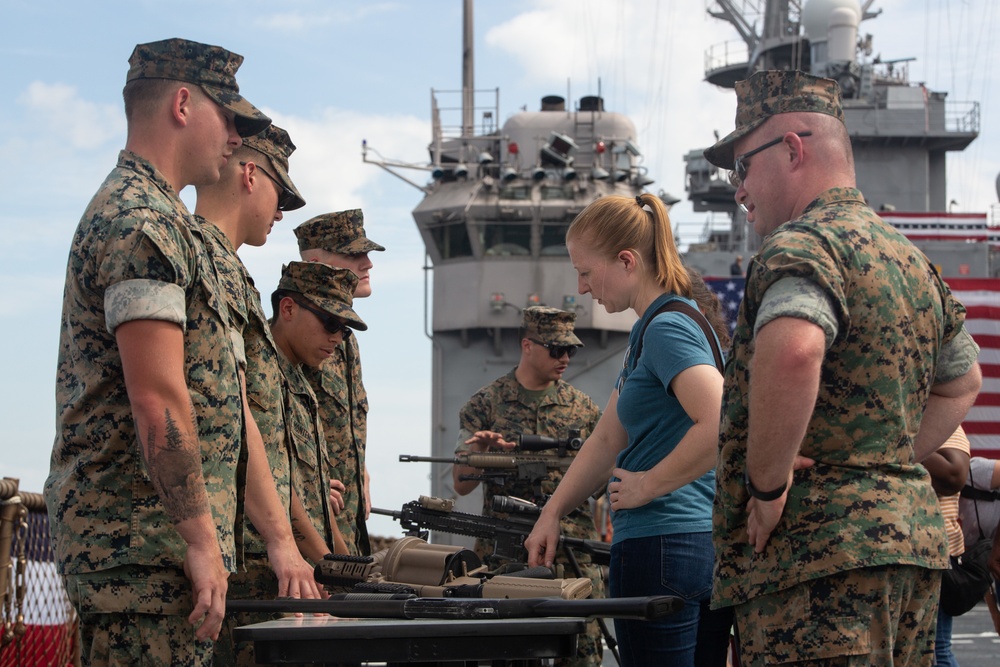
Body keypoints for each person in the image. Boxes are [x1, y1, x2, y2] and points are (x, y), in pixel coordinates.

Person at [44, 38, 312, 666]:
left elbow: (222, 402)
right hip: (138, 556)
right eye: (231, 116)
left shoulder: (171, 225)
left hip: (165, 556)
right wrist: (198, 539)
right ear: (184, 104)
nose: (236, 136)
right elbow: (156, 396)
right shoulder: (140, 222)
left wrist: (274, 541)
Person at [702, 70, 983, 665]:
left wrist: (768, 485)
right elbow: (963, 380)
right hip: (909, 558)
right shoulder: (908, 260)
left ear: (792, 149)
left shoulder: (802, 244)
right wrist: (888, 460)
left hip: (818, 566)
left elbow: (797, 348)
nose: (739, 189)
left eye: (742, 167)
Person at [525, 193, 734, 666]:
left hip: (662, 547)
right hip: (703, 546)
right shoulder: (661, 326)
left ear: (626, 261)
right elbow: (606, 439)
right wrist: (553, 512)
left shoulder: (665, 330)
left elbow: (720, 420)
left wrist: (647, 485)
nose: (581, 288)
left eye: (585, 271)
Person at [191, 124, 334, 666]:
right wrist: (283, 540)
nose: (281, 214)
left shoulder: (233, 275)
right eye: (281, 194)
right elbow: (194, 407)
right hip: (184, 545)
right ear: (251, 175)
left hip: (219, 545)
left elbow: (241, 421)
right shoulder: (199, 258)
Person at [453, 306, 604, 667]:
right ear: (527, 346)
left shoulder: (584, 411)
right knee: (503, 653)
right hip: (504, 558)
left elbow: (604, 482)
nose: (564, 358)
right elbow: (460, 484)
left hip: (571, 556)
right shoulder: (485, 404)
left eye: (570, 350)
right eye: (555, 349)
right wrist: (483, 452)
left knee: (581, 655)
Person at [293, 210, 384, 556]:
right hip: (307, 536)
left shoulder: (345, 341)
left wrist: (360, 470)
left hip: (346, 528)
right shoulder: (293, 333)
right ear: (316, 262)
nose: (367, 264)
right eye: (353, 255)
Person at [269, 261, 368, 563]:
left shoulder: (301, 385)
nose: (337, 338)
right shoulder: (261, 375)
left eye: (345, 329)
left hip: (307, 570)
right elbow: (277, 489)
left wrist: (346, 566)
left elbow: (314, 501)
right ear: (288, 309)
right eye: (330, 323)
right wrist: (333, 564)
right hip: (268, 570)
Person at [924, 427, 971, 667]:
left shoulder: (939, 419)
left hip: (933, 554)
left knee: (937, 651)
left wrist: (896, 436)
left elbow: (954, 475)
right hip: (896, 548)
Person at [960, 455, 1000, 634]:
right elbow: (981, 568)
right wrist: (995, 615)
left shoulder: (973, 472)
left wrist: (997, 546)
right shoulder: (947, 521)